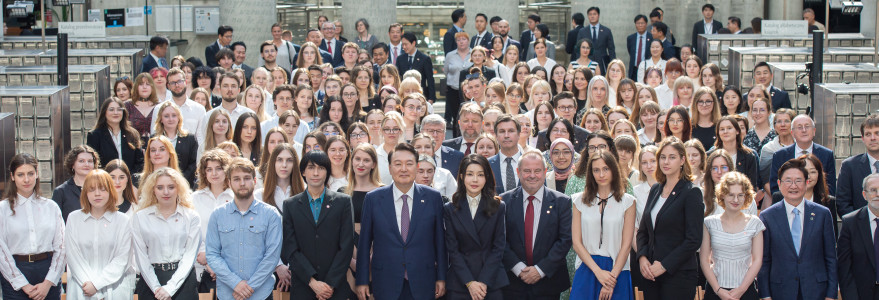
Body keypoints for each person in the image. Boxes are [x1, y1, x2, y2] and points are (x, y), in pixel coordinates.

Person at [355, 143, 447, 300]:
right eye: (398, 164)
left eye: (409, 164)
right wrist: (362, 280)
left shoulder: (433, 198)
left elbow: (440, 241)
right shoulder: (373, 199)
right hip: (385, 280)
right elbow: (364, 244)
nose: (403, 169)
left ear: (417, 167)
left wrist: (441, 277)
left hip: (423, 279)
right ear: (390, 168)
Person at [757, 159, 838, 300]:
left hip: (816, 290)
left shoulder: (822, 214)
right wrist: (765, 295)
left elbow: (830, 257)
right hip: (780, 291)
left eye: (798, 181)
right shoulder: (767, 217)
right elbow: (764, 260)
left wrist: (831, 295)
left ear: (807, 183)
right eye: (788, 181)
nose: (793, 186)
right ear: (779, 184)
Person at [204, 157, 282, 300]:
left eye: (246, 178)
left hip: (261, 294)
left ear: (254, 181)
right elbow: (212, 254)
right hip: (228, 294)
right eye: (236, 179)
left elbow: (272, 257)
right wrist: (236, 284)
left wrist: (250, 287)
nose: (242, 183)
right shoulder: (218, 215)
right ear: (229, 182)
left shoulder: (271, 215)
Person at [636, 137, 704, 299]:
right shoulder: (655, 190)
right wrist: (643, 258)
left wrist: (665, 265)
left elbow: (693, 239)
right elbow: (643, 231)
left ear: (682, 160)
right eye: (663, 157)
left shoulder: (691, 192)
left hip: (678, 275)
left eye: (672, 157)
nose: (666, 162)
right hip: (651, 273)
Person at [500, 149, 572, 299]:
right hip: (512, 283)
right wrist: (519, 268)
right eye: (527, 171)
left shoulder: (562, 202)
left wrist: (540, 270)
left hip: (548, 285)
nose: (532, 175)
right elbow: (500, 240)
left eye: (537, 171)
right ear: (518, 172)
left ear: (545, 172)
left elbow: (564, 240)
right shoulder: (503, 201)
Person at [570, 149, 636, 300]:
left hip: (617, 271)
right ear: (590, 173)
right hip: (588, 268)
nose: (601, 174)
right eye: (596, 170)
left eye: (606, 169)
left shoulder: (628, 202)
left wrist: (610, 281)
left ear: (614, 169)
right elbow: (577, 243)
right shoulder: (578, 201)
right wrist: (598, 272)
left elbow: (626, 246)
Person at [0, 153, 65, 300]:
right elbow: (1, 250)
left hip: (48, 271)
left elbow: (61, 247)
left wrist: (48, 282)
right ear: (12, 177)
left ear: (37, 174)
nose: (26, 179)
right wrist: (22, 284)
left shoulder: (51, 207)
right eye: (20, 175)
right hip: (15, 272)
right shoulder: (2, 209)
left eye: (30, 173)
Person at [443, 155, 508, 299]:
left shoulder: (498, 206)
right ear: (461, 176)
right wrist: (470, 282)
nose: (475, 180)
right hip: (461, 282)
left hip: (491, 282)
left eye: (480, 175)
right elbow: (453, 250)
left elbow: (498, 248)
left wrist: (483, 282)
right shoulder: (450, 208)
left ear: (487, 178)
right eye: (470, 174)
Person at [131, 167, 201, 300]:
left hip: (183, 280)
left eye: (171, 187)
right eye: (160, 187)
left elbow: (190, 256)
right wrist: (157, 288)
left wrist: (170, 288)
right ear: (153, 190)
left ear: (178, 189)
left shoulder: (191, 216)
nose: (166, 192)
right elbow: (141, 257)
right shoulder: (140, 217)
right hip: (150, 281)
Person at [65, 169, 135, 299]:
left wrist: (97, 284)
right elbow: (73, 256)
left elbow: (122, 259)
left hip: (114, 289)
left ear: (111, 191)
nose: (97, 194)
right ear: (85, 193)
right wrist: (89, 285)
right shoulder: (74, 219)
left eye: (103, 189)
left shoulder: (122, 220)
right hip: (82, 288)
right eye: (91, 190)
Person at [700, 171, 764, 300]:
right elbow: (704, 260)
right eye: (731, 195)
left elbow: (757, 260)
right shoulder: (709, 223)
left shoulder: (755, 223)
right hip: (715, 290)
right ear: (722, 195)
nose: (736, 200)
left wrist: (741, 289)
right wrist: (718, 290)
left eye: (740, 195)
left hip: (746, 290)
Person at [769, 114, 835, 196]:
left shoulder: (827, 154)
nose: (804, 130)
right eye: (799, 127)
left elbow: (830, 188)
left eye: (807, 126)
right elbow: (775, 188)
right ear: (792, 133)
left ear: (814, 131)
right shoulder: (780, 155)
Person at [837, 173, 879, 300]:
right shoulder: (850, 223)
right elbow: (844, 268)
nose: (877, 194)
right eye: (873, 190)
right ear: (864, 195)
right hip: (861, 294)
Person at [88, 97, 145, 174]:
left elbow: (140, 162)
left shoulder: (132, 134)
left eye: (119, 109)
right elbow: (94, 163)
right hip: (106, 181)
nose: (116, 112)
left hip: (130, 182)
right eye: (111, 109)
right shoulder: (95, 135)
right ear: (105, 112)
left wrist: (130, 179)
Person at [197, 73, 255, 145]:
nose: (230, 89)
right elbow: (204, 143)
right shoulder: (209, 116)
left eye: (233, 86)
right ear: (220, 89)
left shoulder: (249, 114)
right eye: (225, 86)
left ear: (239, 90)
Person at [838, 114, 879, 216]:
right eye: (868, 134)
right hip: (860, 229)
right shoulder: (849, 166)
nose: (873, 138)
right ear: (863, 138)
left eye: (877, 133)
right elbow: (843, 204)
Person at [152, 101, 200, 187]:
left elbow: (193, 164)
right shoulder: (154, 139)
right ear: (161, 119)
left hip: (184, 184)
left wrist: (179, 180)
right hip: (158, 184)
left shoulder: (190, 138)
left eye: (174, 115)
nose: (170, 119)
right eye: (166, 116)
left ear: (179, 118)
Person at [53, 145, 100, 222]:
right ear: (72, 165)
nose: (86, 164)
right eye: (81, 161)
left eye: (90, 161)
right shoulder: (61, 192)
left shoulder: (101, 189)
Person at [489, 115, 525, 194]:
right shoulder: (487, 165)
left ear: (519, 134)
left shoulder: (531, 162)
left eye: (511, 131)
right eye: (502, 131)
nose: (506, 135)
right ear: (496, 136)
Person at [396, 32, 436, 103]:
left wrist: (431, 98)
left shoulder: (424, 59)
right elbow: (398, 78)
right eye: (402, 45)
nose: (404, 47)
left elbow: (430, 80)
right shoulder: (400, 59)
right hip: (405, 96)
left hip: (421, 96)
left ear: (413, 43)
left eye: (406, 44)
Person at [575, 7, 615, 73]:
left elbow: (611, 49)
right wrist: (578, 63)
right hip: (586, 62)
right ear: (588, 16)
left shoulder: (606, 31)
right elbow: (578, 49)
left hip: (602, 62)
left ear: (598, 15)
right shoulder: (582, 31)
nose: (592, 16)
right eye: (590, 14)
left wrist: (612, 64)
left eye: (594, 14)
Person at [628, 15, 653, 80]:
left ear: (646, 24)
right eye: (638, 23)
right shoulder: (630, 38)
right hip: (634, 69)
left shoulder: (651, 37)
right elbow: (630, 52)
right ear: (635, 24)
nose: (640, 25)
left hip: (647, 68)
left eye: (642, 23)